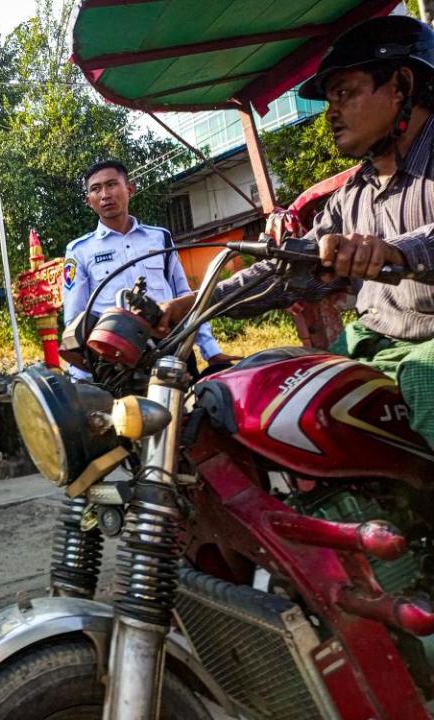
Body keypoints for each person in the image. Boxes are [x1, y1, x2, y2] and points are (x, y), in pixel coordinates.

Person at [157, 15, 434, 449]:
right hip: (370, 343)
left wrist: (392, 252)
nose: (332, 113)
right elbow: (287, 268)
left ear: (401, 85)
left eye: (345, 93)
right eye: (329, 100)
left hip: (429, 350)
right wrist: (194, 304)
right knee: (272, 397)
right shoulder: (351, 197)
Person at [62, 159, 235, 378]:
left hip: (173, 347)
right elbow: (75, 317)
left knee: (190, 409)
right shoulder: (79, 250)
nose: (105, 194)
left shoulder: (159, 237)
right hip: (116, 358)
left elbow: (185, 297)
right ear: (89, 201)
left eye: (112, 184)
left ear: (130, 189)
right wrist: (83, 375)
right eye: (96, 189)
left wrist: (211, 350)